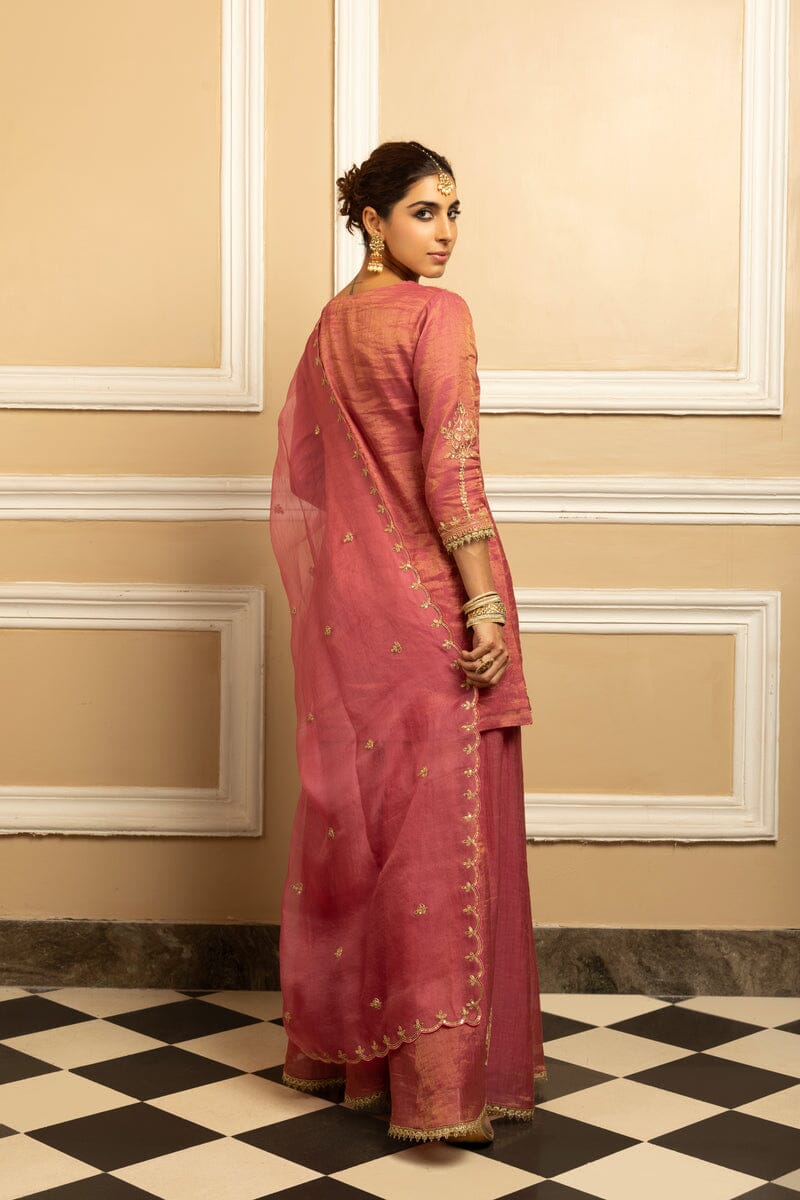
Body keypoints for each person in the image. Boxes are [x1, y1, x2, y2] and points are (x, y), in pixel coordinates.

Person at [269, 140, 546, 1145]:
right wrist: (484, 608)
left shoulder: (327, 328)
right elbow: (451, 476)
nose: (446, 233)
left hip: (356, 616)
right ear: (372, 221)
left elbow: (311, 484)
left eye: (454, 212)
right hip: (432, 607)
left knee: (371, 833)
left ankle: (353, 1067)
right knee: (440, 845)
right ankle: (437, 1093)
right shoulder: (437, 316)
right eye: (425, 212)